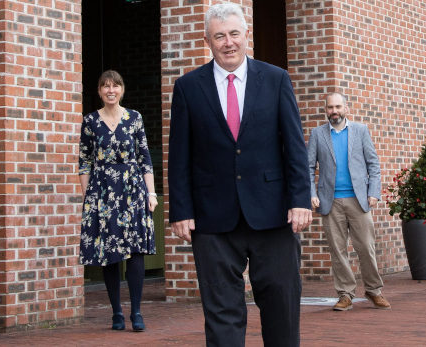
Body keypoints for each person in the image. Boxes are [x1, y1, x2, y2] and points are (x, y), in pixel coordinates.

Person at [168, 3, 312, 347]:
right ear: (208, 40)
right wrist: (181, 210)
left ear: (246, 35)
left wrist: (300, 199)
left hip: (274, 214)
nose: (228, 42)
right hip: (212, 218)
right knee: (221, 315)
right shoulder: (188, 87)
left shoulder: (276, 79)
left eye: (234, 33)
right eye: (219, 36)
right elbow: (179, 155)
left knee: (282, 305)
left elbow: (294, 146)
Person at [78, 70, 157, 331]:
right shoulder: (90, 121)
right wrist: (87, 198)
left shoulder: (134, 118)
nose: (111, 90)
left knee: (135, 250)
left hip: (133, 189)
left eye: (115, 86)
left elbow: (145, 157)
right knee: (109, 250)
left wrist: (151, 193)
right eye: (105, 86)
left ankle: (136, 312)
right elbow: (85, 162)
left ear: (122, 90)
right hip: (102, 191)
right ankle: (116, 313)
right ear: (99, 91)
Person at [307, 92, 391, 311]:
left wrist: (373, 192)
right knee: (338, 250)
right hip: (330, 201)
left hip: (358, 199)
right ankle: (345, 294)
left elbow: (373, 163)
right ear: (325, 110)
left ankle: (374, 291)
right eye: (330, 107)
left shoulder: (360, 131)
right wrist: (311, 192)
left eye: (337, 106)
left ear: (346, 108)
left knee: (366, 247)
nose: (334, 111)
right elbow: (308, 167)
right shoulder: (317, 134)